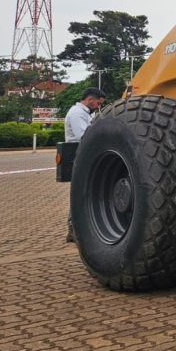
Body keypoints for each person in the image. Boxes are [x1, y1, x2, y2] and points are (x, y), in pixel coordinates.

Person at [64, 87, 105, 242]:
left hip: (86, 154)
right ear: (89, 99)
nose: (98, 107)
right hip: (79, 155)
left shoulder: (86, 114)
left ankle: (75, 228)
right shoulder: (77, 113)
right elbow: (84, 136)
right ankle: (73, 228)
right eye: (97, 103)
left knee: (85, 192)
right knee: (80, 192)